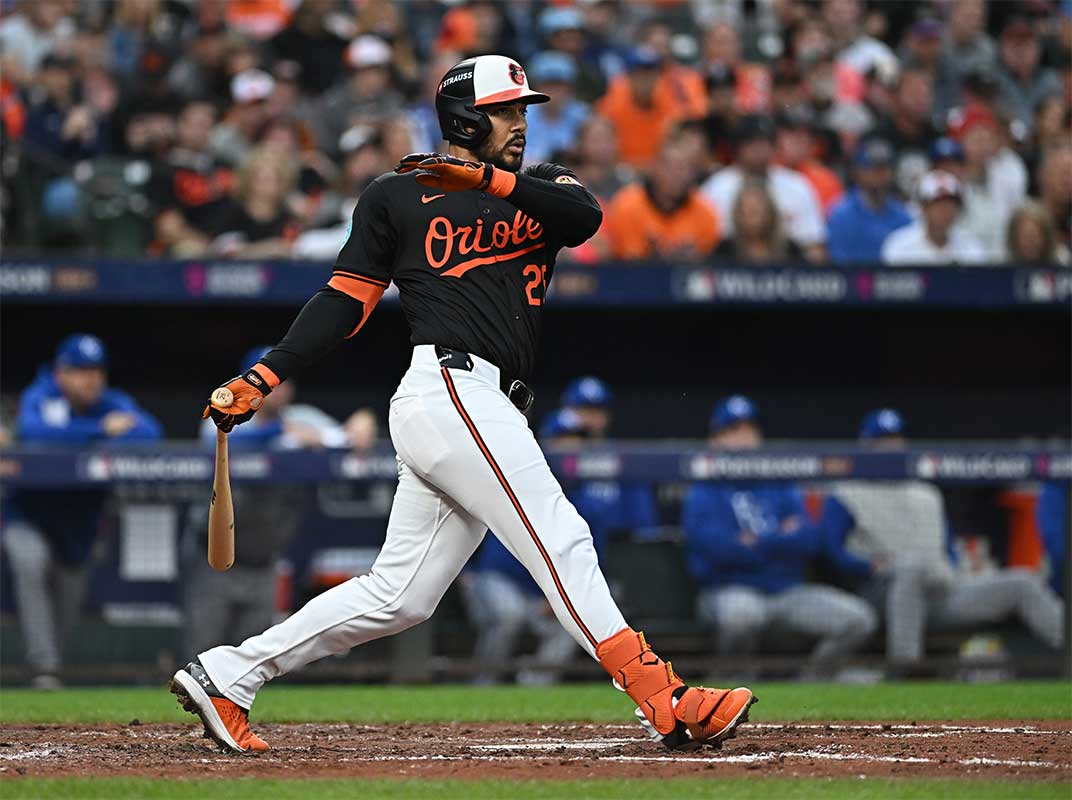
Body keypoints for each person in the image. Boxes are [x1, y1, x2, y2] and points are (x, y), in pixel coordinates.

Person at [170, 54, 755, 755]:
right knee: (559, 534)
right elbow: (344, 301)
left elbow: (585, 217)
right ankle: (664, 697)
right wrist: (263, 376)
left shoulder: (538, 186)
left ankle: (230, 674)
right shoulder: (397, 196)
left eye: (522, 111)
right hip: (449, 388)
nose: (519, 124)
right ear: (463, 117)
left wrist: (483, 179)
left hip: (482, 403)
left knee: (400, 596)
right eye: (506, 111)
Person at [821, 409, 1064, 670]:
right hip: (882, 593)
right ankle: (907, 670)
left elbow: (947, 550)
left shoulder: (927, 493)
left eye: (896, 439)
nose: (891, 446)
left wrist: (964, 570)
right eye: (881, 441)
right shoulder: (844, 493)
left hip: (940, 592)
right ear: (865, 447)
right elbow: (834, 552)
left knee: (1022, 582)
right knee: (911, 567)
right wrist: (870, 566)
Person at [3, 334, 162, 689]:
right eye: (79, 370)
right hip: (29, 514)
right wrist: (99, 431)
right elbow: (33, 434)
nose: (90, 379)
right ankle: (44, 668)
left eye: (95, 370)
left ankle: (50, 670)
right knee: (29, 562)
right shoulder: (42, 395)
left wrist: (81, 435)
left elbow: (150, 430)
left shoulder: (109, 401)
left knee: (69, 599)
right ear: (61, 372)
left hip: (80, 524)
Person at [682, 395, 877, 679]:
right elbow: (716, 549)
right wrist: (778, 539)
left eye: (749, 429)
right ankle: (731, 685)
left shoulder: (780, 480)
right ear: (715, 440)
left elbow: (809, 539)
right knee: (741, 617)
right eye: (732, 431)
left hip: (788, 591)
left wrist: (756, 541)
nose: (743, 438)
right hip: (730, 588)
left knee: (858, 619)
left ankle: (811, 683)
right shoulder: (704, 490)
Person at [465, 410, 594, 686]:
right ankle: (483, 684)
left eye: (577, 440)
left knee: (572, 623)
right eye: (563, 440)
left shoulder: (586, 497)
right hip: (500, 579)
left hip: (544, 590)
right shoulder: (515, 477)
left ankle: (535, 685)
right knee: (509, 615)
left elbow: (589, 556)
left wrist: (559, 597)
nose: (572, 448)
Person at [701, 114, 826, 263]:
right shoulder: (716, 187)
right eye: (752, 142)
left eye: (765, 143)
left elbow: (814, 246)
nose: (759, 149)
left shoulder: (797, 185)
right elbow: (706, 246)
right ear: (738, 147)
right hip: (729, 265)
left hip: (786, 269)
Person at [602, 138, 720, 261]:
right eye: (671, 167)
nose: (678, 175)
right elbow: (627, 262)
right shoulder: (626, 206)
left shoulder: (705, 211)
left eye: (685, 168)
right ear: (654, 167)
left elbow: (707, 266)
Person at [950, 104, 1028, 260]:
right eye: (975, 138)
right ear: (960, 141)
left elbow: (1014, 216)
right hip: (962, 261)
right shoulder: (951, 177)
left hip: (1001, 257)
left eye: (987, 138)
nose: (981, 145)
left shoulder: (1009, 170)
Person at [826, 137, 912, 265]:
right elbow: (839, 266)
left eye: (884, 168)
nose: (879, 174)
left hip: (895, 282)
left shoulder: (903, 215)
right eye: (872, 168)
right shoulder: (841, 214)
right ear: (858, 172)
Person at [881, 170, 987, 266]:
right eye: (938, 203)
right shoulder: (899, 246)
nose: (946, 210)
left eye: (951, 204)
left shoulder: (971, 247)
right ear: (923, 208)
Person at [712, 180, 802, 264]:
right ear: (736, 215)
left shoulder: (790, 250)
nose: (749, 218)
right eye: (743, 211)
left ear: (770, 213)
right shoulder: (724, 250)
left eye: (755, 211)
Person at [1005, 201, 1070, 265]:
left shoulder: (1062, 263)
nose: (1030, 242)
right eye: (1025, 237)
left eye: (1035, 236)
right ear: (1014, 238)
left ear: (1046, 237)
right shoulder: (1004, 268)